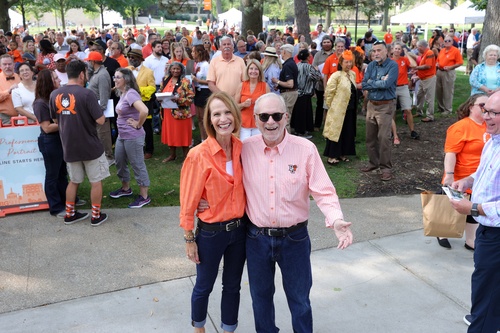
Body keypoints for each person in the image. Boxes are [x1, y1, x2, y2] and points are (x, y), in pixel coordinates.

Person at [242, 93, 353, 332]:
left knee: (300, 300)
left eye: (276, 115)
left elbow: (323, 191)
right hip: (256, 239)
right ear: (255, 119)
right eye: (264, 116)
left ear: (287, 117)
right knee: (260, 299)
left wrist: (335, 219)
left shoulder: (305, 149)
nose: (271, 121)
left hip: (295, 240)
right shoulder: (244, 149)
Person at [180, 91, 246, 333]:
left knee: (232, 286)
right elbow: (188, 202)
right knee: (204, 285)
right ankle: (199, 328)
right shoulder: (198, 155)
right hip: (210, 234)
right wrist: (189, 239)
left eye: (228, 112)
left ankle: (229, 328)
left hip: (239, 232)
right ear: (209, 119)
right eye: (216, 114)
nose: (223, 118)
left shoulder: (242, 148)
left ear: (235, 115)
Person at [449, 91, 500, 333]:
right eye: (484, 109)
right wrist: (467, 181)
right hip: (487, 230)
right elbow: (483, 173)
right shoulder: (491, 141)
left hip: (496, 236)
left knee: (486, 294)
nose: (485, 116)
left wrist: (474, 208)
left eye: (493, 112)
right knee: (485, 291)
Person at [49, 60, 109, 226]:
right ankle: (95, 216)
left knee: (74, 181)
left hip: (69, 145)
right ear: (82, 74)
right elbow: (101, 119)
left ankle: (69, 214)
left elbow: (55, 119)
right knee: (95, 181)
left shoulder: (54, 95)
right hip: (90, 145)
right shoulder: (87, 94)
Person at [437, 94, 489, 250]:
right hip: (459, 177)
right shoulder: (460, 127)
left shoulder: (490, 125)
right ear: (471, 107)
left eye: (488, 106)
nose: (486, 109)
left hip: (480, 178)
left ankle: (470, 240)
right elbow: (451, 153)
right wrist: (449, 175)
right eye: (482, 105)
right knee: (449, 208)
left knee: (473, 209)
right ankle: (442, 233)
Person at [109, 68, 151, 208]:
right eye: (114, 77)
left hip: (133, 136)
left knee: (137, 164)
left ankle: (144, 196)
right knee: (120, 162)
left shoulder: (131, 94)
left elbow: (144, 110)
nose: (115, 79)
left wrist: (138, 124)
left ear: (126, 79)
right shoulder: (123, 93)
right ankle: (126, 188)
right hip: (122, 136)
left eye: (118, 77)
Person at [361, 40, 398, 181]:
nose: (376, 53)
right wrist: (378, 82)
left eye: (379, 50)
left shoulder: (392, 65)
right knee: (370, 137)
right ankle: (373, 163)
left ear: (386, 51)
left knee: (383, 138)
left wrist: (373, 83)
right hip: (371, 104)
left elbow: (387, 84)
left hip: (385, 106)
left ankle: (386, 168)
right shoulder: (371, 65)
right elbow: (364, 84)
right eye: (374, 51)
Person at [33, 69, 67, 217]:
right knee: (53, 175)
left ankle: (67, 200)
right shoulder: (40, 103)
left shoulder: (53, 98)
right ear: (49, 82)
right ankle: (55, 207)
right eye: (55, 78)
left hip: (58, 141)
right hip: (50, 142)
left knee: (62, 173)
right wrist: (68, 122)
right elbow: (46, 127)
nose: (59, 80)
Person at [323, 50, 358, 165]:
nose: (348, 65)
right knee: (335, 132)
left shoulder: (352, 74)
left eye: (350, 62)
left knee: (347, 131)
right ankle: (332, 156)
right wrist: (331, 106)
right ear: (341, 62)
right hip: (338, 109)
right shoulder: (336, 75)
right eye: (346, 62)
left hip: (350, 109)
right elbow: (329, 92)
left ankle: (343, 153)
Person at [160, 62, 194, 162]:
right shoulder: (165, 80)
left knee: (183, 135)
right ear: (170, 69)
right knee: (171, 134)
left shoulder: (185, 81)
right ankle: (172, 155)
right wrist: (160, 98)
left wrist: (179, 100)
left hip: (181, 113)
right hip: (167, 112)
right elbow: (161, 91)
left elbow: (191, 98)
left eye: (177, 69)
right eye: (173, 69)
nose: (175, 71)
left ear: (181, 70)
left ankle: (186, 156)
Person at [127, 48, 156, 160]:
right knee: (131, 126)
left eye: (133, 57)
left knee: (146, 127)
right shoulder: (126, 70)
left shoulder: (148, 72)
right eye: (129, 57)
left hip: (144, 103)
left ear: (140, 59)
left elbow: (152, 88)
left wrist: (139, 90)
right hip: (129, 103)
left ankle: (149, 150)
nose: (131, 59)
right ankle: (134, 149)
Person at [86, 51, 114, 166]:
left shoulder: (102, 75)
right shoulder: (97, 73)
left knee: (103, 134)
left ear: (93, 62)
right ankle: (103, 156)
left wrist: (100, 111)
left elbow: (104, 95)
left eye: (89, 61)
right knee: (99, 133)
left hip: (100, 110)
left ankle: (109, 157)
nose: (87, 63)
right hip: (96, 109)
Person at [390, 42, 419, 142]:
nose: (397, 50)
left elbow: (414, 65)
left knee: (408, 109)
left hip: (403, 87)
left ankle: (412, 131)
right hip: (392, 87)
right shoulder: (389, 61)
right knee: (392, 110)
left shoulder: (404, 60)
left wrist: (407, 53)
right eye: (396, 48)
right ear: (392, 50)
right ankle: (392, 132)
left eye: (399, 49)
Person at [234, 59, 269, 141]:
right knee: (244, 146)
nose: (253, 71)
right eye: (251, 68)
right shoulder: (241, 85)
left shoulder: (265, 86)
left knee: (257, 147)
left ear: (260, 71)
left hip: (259, 123)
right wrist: (243, 104)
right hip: (244, 124)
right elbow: (234, 107)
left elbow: (269, 107)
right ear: (247, 70)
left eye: (256, 69)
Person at [291, 49, 321, 138]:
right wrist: (317, 70)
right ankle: (302, 132)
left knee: (298, 113)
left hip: (297, 92)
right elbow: (317, 77)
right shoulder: (309, 67)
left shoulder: (297, 65)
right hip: (305, 92)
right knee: (304, 114)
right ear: (308, 57)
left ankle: (296, 129)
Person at [271, 44, 297, 132]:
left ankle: (286, 139)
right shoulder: (291, 63)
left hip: (288, 93)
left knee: (285, 118)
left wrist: (277, 81)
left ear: (285, 52)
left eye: (282, 51)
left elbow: (290, 84)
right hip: (289, 92)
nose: (281, 53)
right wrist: (279, 86)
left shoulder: (287, 65)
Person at [436, 36, 463, 115]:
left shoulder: (455, 51)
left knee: (447, 91)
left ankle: (448, 109)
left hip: (448, 72)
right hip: (439, 71)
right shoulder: (442, 50)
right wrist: (437, 64)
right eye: (445, 41)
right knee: (438, 90)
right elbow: (438, 60)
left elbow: (460, 62)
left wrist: (451, 67)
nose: (447, 42)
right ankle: (440, 107)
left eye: (449, 41)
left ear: (452, 42)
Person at [312, 36, 334, 131]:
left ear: (331, 43)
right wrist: (320, 77)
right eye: (324, 42)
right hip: (320, 85)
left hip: (333, 85)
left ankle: (330, 125)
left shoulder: (335, 54)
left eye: (328, 42)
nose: (326, 44)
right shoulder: (318, 55)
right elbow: (314, 67)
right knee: (320, 104)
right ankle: (317, 124)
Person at [191, 45, 211, 142]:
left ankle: (208, 138)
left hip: (204, 91)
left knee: (204, 118)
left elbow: (210, 81)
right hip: (198, 91)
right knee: (199, 118)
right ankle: (203, 138)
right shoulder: (197, 64)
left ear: (198, 52)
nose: (192, 54)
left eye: (193, 51)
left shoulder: (206, 65)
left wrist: (197, 80)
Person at [413, 40, 437, 122]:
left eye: (417, 47)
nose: (417, 49)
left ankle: (430, 116)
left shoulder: (429, 53)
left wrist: (416, 68)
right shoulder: (424, 54)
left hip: (429, 78)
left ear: (421, 46)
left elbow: (428, 66)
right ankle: (419, 111)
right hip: (422, 79)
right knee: (419, 95)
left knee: (429, 98)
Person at [0, 54, 21, 125]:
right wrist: (9, 91)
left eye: (9, 64)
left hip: (22, 116)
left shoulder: (20, 77)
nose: (7, 67)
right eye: (4, 64)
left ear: (14, 65)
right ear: (0, 66)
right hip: (5, 118)